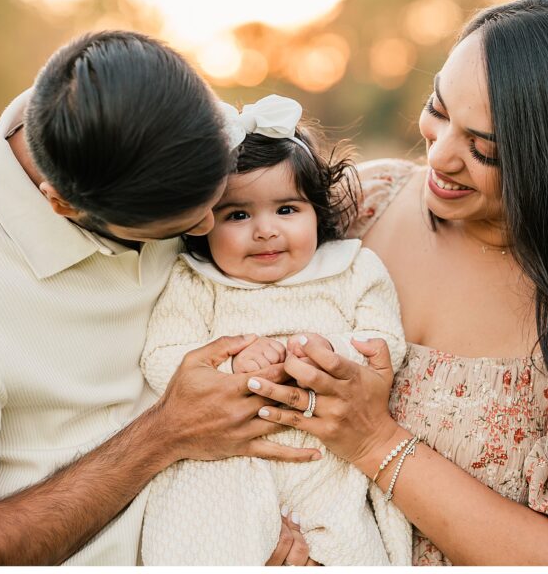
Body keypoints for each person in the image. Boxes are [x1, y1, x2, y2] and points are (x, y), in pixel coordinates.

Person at [244, 0, 548, 565]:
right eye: (439, 109)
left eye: (484, 149)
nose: (441, 156)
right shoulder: (358, 206)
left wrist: (375, 442)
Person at [0, 30, 320, 566]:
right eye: (183, 225)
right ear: (65, 207)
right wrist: (165, 434)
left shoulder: (166, 116)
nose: (210, 229)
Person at [138, 95, 411, 565]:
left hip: (326, 463)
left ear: (317, 212)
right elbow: (161, 357)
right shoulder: (195, 281)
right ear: (203, 223)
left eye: (287, 209)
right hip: (224, 469)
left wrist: (333, 352)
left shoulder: (352, 269)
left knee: (348, 544)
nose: (265, 231)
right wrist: (230, 365)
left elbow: (387, 342)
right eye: (238, 215)